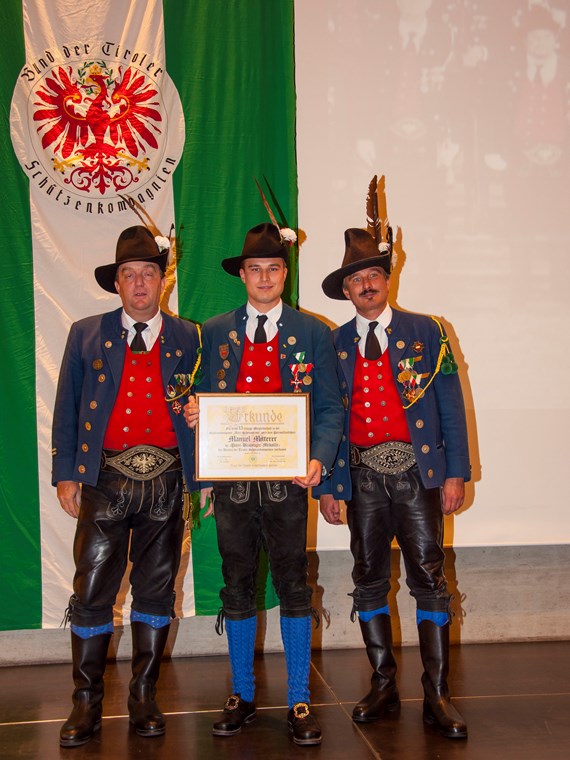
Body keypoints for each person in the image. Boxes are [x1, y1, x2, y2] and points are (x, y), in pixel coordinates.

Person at [184, 222, 343, 746]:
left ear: (284, 273)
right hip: (231, 485)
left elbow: (327, 409)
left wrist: (319, 460)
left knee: (294, 586)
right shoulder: (213, 332)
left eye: (274, 268)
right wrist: (195, 418)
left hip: (289, 484)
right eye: (256, 269)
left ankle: (299, 696)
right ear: (243, 276)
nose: (265, 277)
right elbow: (202, 400)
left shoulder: (313, 332)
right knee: (237, 586)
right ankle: (243, 693)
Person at [317, 225, 471, 739]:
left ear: (388, 278)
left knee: (430, 577)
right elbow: (327, 417)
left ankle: (436, 694)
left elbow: (449, 405)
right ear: (345, 290)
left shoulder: (429, 331)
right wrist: (330, 487)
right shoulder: (333, 344)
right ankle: (383, 684)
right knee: (368, 578)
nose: (366, 285)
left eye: (374, 275)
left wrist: (455, 472)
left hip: (417, 474)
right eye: (356, 279)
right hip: (360, 477)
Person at [52, 225, 201, 747]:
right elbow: (67, 408)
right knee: (92, 592)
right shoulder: (85, 333)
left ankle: (143, 695)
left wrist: (201, 473)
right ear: (116, 283)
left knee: (157, 590)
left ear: (163, 280)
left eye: (149, 274)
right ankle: (86, 704)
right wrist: (66, 473)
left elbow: (205, 414)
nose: (139, 284)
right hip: (104, 481)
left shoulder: (189, 337)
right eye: (129, 275)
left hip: (167, 480)